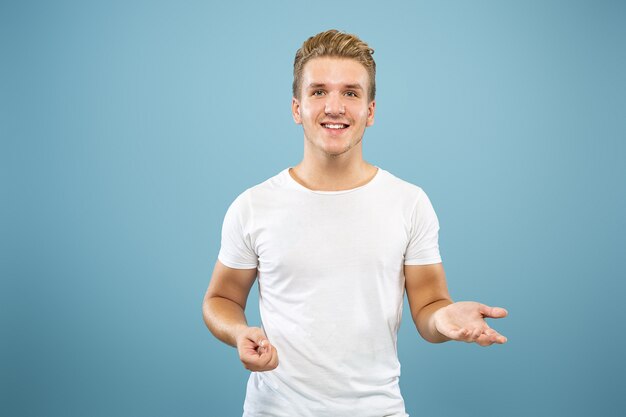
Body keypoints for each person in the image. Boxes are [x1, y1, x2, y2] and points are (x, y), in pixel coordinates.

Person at [202, 29, 508, 417]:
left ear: (370, 110)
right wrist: (239, 332)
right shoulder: (253, 206)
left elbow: (429, 306)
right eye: (318, 92)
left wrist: (445, 318)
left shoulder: (409, 203)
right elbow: (221, 299)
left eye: (350, 92)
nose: (334, 107)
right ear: (297, 108)